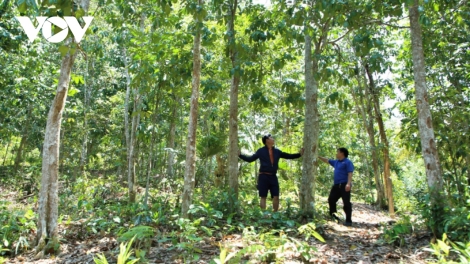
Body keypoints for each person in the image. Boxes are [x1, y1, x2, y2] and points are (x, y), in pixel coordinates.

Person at [239, 134, 304, 212]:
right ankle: (264, 215)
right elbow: (250, 159)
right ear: (267, 140)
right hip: (263, 176)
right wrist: (240, 155)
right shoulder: (261, 151)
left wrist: (299, 154)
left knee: (276, 196)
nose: (273, 139)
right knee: (263, 196)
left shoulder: (277, 151)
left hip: (273, 176)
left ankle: (275, 214)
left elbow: (288, 156)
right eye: (271, 138)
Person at [318, 148, 354, 226]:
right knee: (331, 199)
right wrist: (318, 156)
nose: (336, 154)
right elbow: (327, 160)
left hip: (344, 185)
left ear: (342, 153)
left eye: (337, 152)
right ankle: (333, 216)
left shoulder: (347, 162)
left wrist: (348, 184)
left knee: (346, 203)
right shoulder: (336, 162)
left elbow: (350, 173)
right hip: (336, 185)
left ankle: (348, 220)